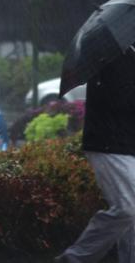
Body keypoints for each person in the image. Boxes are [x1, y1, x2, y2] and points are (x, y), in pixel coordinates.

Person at [56, 46, 135, 263]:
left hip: (126, 143)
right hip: (109, 145)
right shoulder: (112, 57)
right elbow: (122, 100)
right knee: (128, 208)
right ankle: (75, 258)